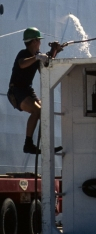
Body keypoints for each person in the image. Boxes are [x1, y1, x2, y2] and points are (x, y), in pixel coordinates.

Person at [7, 27, 62, 155]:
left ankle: (47, 145)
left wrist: (54, 51)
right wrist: (37, 57)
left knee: (44, 111)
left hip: (27, 90)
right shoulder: (23, 54)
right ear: (34, 42)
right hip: (16, 91)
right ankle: (28, 144)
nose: (40, 43)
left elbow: (46, 67)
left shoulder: (37, 57)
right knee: (37, 110)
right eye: (39, 41)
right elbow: (22, 64)